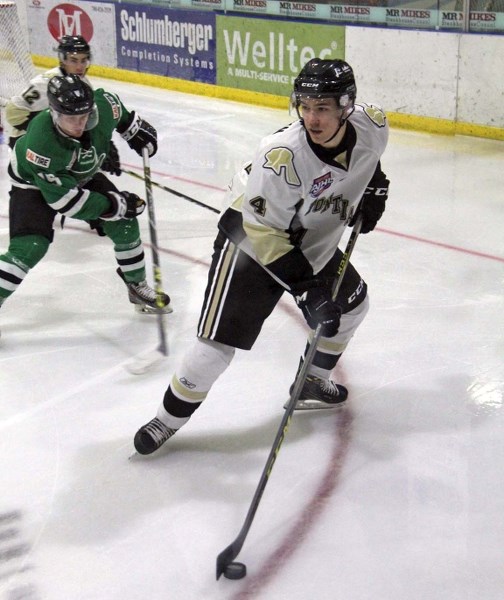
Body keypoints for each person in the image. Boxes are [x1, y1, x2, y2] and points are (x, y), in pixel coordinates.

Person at [133, 58, 390, 455]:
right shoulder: (282, 157)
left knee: (352, 307)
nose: (312, 118)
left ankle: (310, 381)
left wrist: (374, 188)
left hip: (310, 235)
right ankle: (167, 420)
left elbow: (366, 161)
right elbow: (265, 232)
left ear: (346, 106)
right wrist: (307, 290)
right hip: (251, 241)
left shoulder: (372, 124)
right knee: (214, 350)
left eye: (322, 107)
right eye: (304, 106)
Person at [0, 74, 171, 317]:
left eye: (84, 115)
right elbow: (68, 202)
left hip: (81, 173)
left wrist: (135, 129)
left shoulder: (104, 106)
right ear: (55, 113)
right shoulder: (42, 142)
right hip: (33, 184)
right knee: (30, 247)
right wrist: (117, 203)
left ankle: (136, 285)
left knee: (124, 223)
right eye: (71, 118)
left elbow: (118, 111)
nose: (80, 124)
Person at [5, 34, 120, 177]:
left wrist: (105, 147)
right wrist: (40, 129)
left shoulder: (82, 84)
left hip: (61, 142)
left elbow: (86, 121)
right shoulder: (46, 82)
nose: (80, 66)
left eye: (83, 60)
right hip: (27, 143)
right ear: (63, 59)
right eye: (74, 60)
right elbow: (12, 111)